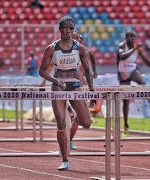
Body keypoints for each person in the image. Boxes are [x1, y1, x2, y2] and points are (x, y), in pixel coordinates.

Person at [39, 16, 95, 171]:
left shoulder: (80, 48)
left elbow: (88, 70)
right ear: (60, 30)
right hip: (58, 85)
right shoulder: (51, 48)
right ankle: (65, 160)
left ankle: (75, 114)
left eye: (71, 28)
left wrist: (92, 92)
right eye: (65, 28)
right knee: (61, 124)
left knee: (87, 123)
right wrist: (55, 81)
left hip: (75, 84)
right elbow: (42, 71)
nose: (68, 31)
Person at [117, 30, 150, 136]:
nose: (132, 38)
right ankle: (126, 126)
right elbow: (123, 56)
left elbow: (145, 60)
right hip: (123, 72)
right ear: (126, 38)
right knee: (126, 102)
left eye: (134, 37)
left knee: (140, 80)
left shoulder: (137, 48)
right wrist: (135, 48)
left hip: (132, 68)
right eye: (130, 36)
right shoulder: (121, 46)